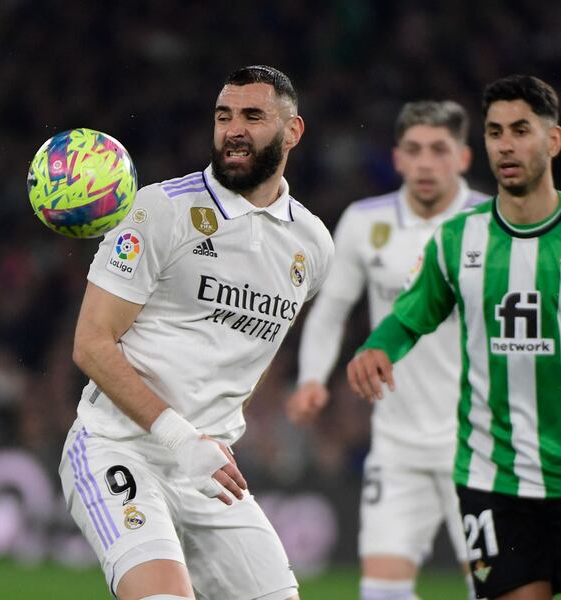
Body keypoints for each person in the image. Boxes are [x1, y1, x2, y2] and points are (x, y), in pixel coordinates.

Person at [59, 65, 334, 600]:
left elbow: (244, 357)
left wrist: (209, 436)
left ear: (293, 131)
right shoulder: (162, 209)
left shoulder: (313, 248)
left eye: (252, 116)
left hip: (211, 470)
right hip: (119, 449)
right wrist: (180, 436)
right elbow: (91, 344)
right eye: (223, 115)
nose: (233, 129)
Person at [348, 74, 561, 600]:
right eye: (494, 132)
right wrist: (378, 347)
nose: (506, 145)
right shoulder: (457, 237)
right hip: (495, 480)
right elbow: (411, 316)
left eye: (520, 130)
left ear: (553, 140)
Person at [288, 101, 488, 600]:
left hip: (480, 446)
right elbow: (330, 310)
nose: (425, 163)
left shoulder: (489, 222)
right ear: (397, 159)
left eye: (439, 150)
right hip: (396, 446)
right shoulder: (364, 221)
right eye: (414, 150)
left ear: (463, 158)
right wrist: (313, 378)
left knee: (493, 590)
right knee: (380, 593)